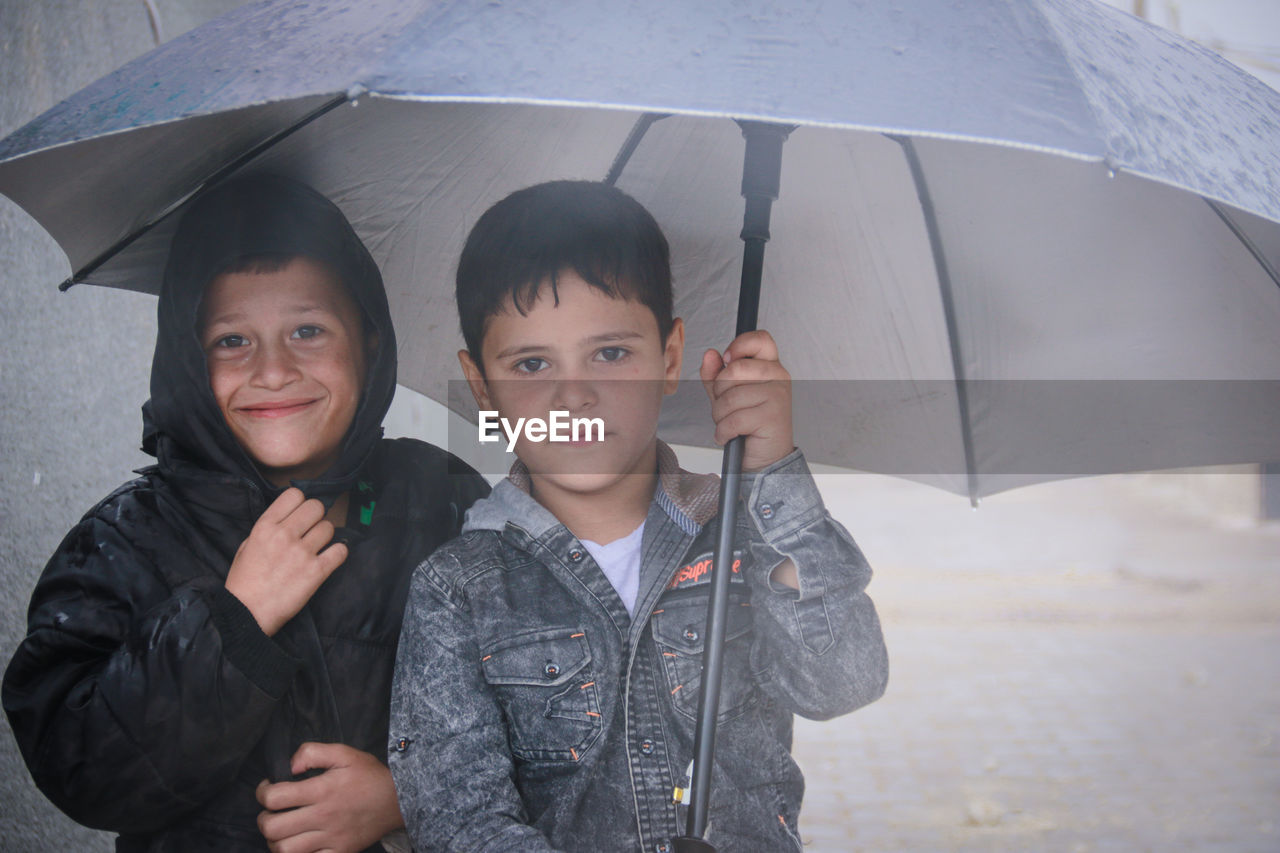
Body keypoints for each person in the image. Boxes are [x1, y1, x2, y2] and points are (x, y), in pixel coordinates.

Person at [388, 180, 888, 852]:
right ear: (482, 385)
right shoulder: (458, 588)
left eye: (611, 353)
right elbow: (459, 822)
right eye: (532, 363)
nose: (576, 394)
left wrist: (774, 470)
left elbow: (842, 679)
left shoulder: (742, 537)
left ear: (670, 357)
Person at [3, 175, 490, 853]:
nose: (272, 369)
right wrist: (233, 619)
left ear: (370, 341)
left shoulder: (438, 500)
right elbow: (78, 765)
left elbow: (540, 709)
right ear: (186, 359)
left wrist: (410, 796)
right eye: (233, 340)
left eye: (308, 330)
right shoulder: (121, 544)